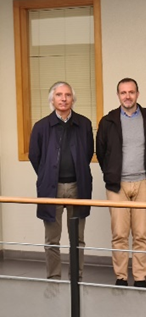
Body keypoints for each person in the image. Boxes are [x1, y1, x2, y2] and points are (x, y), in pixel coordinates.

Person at [96, 77, 146, 288]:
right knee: (119, 234)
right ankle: (121, 276)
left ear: (137, 94)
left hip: (143, 182)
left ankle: (141, 277)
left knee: (141, 234)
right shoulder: (108, 122)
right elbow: (102, 152)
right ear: (118, 96)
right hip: (117, 186)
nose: (127, 96)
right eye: (123, 92)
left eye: (131, 92)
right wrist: (111, 174)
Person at [29, 81, 93, 281]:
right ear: (52, 99)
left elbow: (88, 153)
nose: (63, 98)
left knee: (78, 238)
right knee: (52, 238)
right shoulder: (41, 126)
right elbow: (35, 156)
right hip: (51, 188)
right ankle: (54, 276)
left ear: (73, 99)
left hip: (77, 186)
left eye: (67, 95)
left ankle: (77, 276)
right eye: (59, 95)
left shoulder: (84, 124)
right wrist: (48, 174)